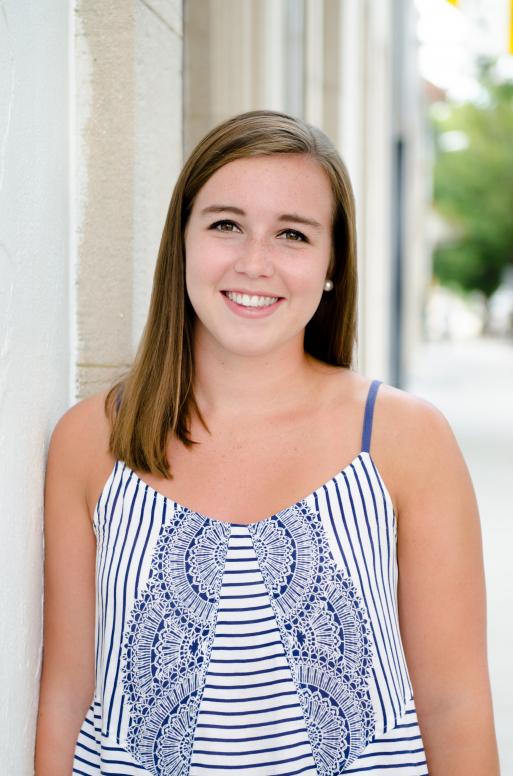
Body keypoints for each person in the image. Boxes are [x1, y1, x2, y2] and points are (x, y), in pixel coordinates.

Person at [34, 109, 499, 775]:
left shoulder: (404, 439)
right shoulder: (91, 440)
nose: (254, 263)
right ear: (183, 242)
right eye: (225, 225)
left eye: (292, 234)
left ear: (331, 263)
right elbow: (66, 698)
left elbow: (455, 703)